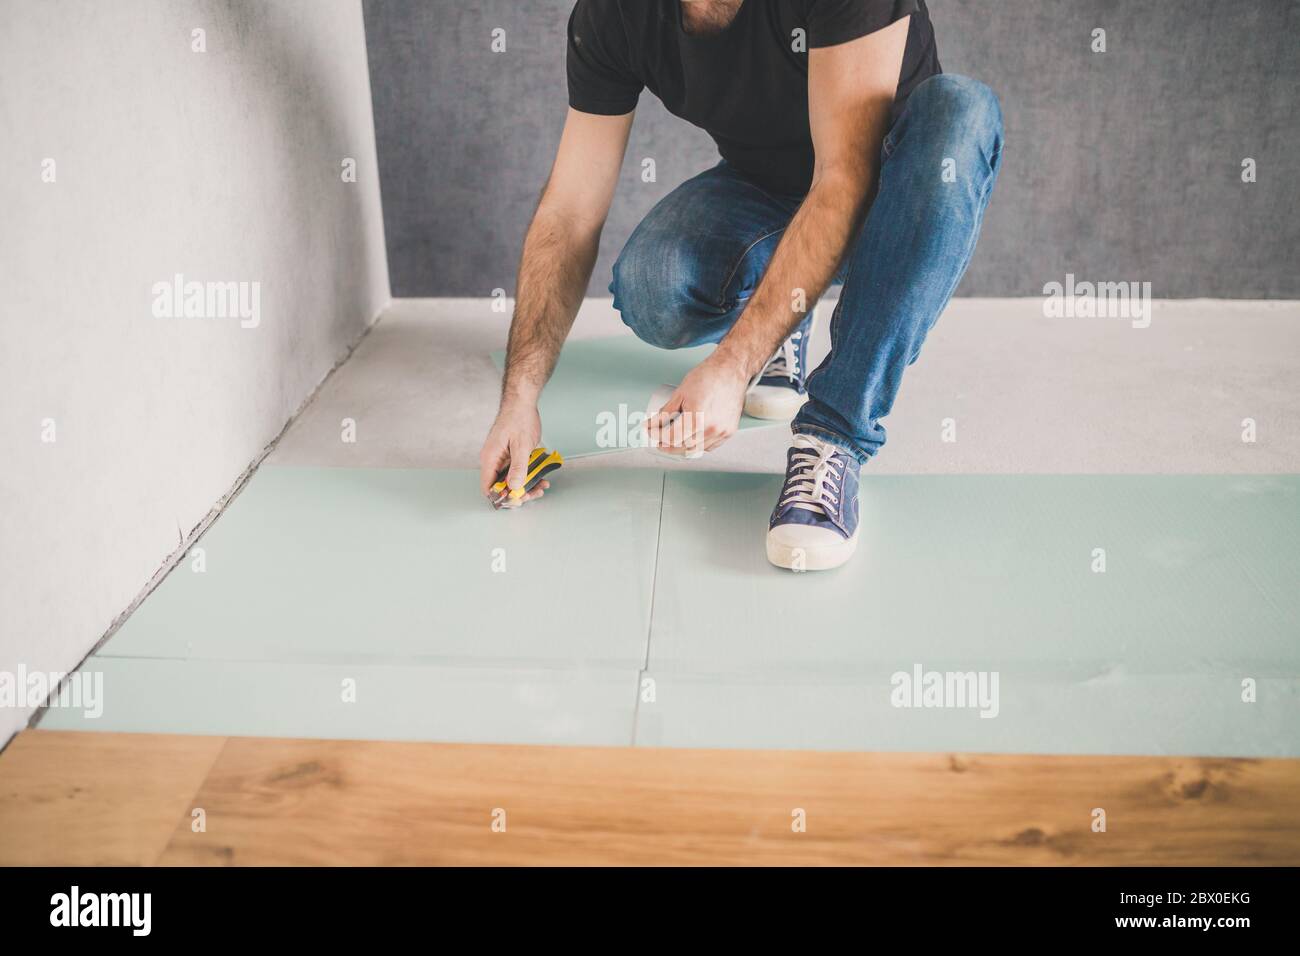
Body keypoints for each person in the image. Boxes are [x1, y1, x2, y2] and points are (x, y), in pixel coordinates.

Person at [480, 0, 1003, 570]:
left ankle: (834, 436)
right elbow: (569, 211)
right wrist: (519, 400)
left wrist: (731, 366)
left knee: (962, 109)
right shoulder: (612, 14)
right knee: (653, 285)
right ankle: (781, 318)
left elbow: (843, 178)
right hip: (773, 195)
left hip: (892, 196)